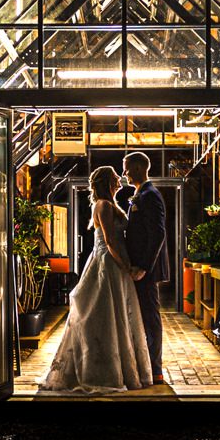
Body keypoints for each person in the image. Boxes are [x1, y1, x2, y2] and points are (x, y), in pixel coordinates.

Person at [37, 166, 153, 394]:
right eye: (115, 177)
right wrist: (125, 265)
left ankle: (119, 367)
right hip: (108, 264)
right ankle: (99, 370)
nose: (120, 178)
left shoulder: (111, 204)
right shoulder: (103, 205)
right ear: (108, 182)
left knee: (116, 314)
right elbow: (110, 241)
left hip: (114, 263)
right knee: (104, 315)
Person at [122, 151, 170, 385]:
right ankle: (146, 366)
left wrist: (143, 266)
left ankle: (156, 370)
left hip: (146, 271)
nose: (125, 173)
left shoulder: (150, 195)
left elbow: (158, 233)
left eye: (127, 167)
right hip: (139, 269)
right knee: (143, 318)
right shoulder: (140, 194)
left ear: (139, 168)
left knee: (150, 319)